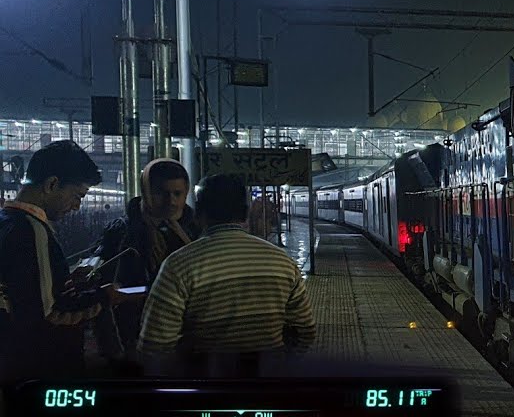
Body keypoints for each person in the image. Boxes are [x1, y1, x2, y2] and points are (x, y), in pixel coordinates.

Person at [137, 174, 316, 377]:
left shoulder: (179, 265)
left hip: (205, 386)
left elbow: (155, 345)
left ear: (199, 213)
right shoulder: (282, 261)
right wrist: (280, 365)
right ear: (246, 213)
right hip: (268, 384)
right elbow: (305, 330)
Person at [0, 140, 121, 379]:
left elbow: (25, 291)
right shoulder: (32, 230)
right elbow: (49, 313)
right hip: (40, 370)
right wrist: (104, 297)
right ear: (52, 184)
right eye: (77, 195)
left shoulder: (7, 220)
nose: (76, 206)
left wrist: (66, 281)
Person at [92, 159, 199, 367]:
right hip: (132, 335)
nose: (171, 201)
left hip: (186, 336)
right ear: (147, 192)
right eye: (162, 193)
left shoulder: (194, 231)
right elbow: (104, 288)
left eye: (177, 194)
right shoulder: (123, 232)